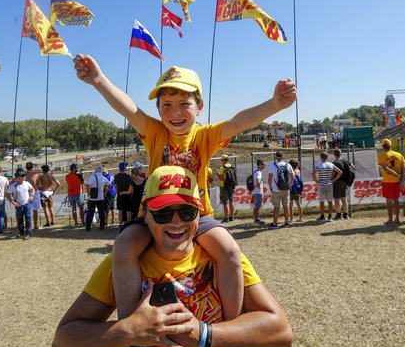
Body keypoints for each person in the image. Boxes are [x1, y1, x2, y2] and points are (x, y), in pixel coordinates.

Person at [73, 55, 296, 327]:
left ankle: (230, 327)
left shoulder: (205, 136)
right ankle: (133, 328)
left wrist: (274, 104)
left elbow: (238, 123)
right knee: (123, 246)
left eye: (184, 104)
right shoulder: (154, 132)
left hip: (196, 216)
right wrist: (99, 80)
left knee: (229, 252)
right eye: (166, 105)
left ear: (199, 107)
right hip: (155, 215)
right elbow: (130, 110)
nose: (175, 112)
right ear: (158, 110)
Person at [51, 166, 293, 347]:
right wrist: (129, 331)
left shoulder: (220, 256)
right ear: (145, 214)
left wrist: (205, 335)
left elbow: (281, 332)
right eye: (163, 213)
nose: (176, 222)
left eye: (187, 211)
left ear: (200, 214)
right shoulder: (125, 261)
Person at [378, 139, 405, 225]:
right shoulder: (399, 155)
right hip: (397, 181)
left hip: (387, 181)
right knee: (396, 200)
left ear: (383, 147)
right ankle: (397, 218)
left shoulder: (381, 156)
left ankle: (390, 220)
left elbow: (386, 168)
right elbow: (404, 168)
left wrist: (396, 174)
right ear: (391, 145)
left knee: (389, 201)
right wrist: (402, 180)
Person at [313, 152, 342, 223]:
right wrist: (334, 180)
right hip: (329, 184)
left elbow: (313, 173)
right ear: (327, 157)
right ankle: (330, 216)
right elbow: (340, 172)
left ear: (321, 157)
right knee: (330, 201)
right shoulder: (331, 164)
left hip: (321, 184)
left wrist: (316, 181)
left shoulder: (318, 165)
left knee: (322, 201)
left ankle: (322, 216)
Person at [6, 168, 35, 240]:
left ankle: (28, 233)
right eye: (18, 176)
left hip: (27, 203)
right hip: (19, 205)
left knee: (28, 218)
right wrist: (13, 202)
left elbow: (33, 189)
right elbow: (7, 194)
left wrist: (31, 196)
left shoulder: (27, 183)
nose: (20, 178)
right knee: (19, 219)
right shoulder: (13, 186)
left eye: (22, 176)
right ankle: (21, 232)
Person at [268, 151, 294, 228]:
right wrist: (290, 184)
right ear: (283, 157)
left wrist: (270, 187)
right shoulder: (288, 165)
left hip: (276, 190)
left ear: (276, 157)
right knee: (286, 206)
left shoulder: (272, 166)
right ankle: (286, 222)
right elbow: (292, 176)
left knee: (276, 207)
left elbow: (269, 178)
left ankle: (275, 223)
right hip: (286, 189)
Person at [85, 166, 112, 231]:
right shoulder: (103, 178)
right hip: (101, 197)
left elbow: (87, 185)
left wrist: (88, 193)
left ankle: (88, 227)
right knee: (101, 212)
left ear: (96, 171)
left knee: (90, 212)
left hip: (92, 198)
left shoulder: (92, 177)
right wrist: (105, 192)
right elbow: (110, 185)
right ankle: (102, 226)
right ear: (101, 171)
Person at [332, 149, 354, 220]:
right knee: (344, 198)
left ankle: (338, 215)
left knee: (337, 199)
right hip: (345, 182)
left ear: (334, 154)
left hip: (337, 182)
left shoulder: (335, 163)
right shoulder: (345, 161)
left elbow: (336, 172)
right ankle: (346, 214)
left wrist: (334, 179)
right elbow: (353, 167)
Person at [217, 155, 235, 223]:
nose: (221, 161)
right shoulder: (232, 167)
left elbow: (221, 178)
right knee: (231, 201)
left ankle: (226, 217)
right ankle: (231, 217)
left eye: (221, 160)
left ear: (224, 160)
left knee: (225, 202)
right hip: (231, 186)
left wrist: (218, 174)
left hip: (224, 186)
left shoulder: (222, 168)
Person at [25, 162, 43, 230]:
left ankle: (27, 226)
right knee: (35, 210)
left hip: (26, 192)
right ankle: (35, 225)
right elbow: (40, 185)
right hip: (35, 192)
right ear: (32, 167)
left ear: (26, 167)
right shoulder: (36, 174)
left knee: (27, 210)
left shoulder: (24, 174)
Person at [251, 159, 266, 224]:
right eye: (263, 164)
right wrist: (260, 187)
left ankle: (256, 218)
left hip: (255, 191)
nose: (264, 166)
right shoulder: (258, 172)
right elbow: (258, 180)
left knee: (257, 205)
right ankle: (256, 219)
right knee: (258, 206)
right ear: (259, 165)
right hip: (258, 192)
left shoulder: (255, 171)